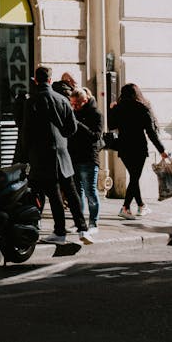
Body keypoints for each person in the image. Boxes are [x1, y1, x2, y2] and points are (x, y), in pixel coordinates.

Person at [25, 66, 92, 244]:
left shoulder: (32, 102)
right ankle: (83, 230)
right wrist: (62, 140)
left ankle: (60, 232)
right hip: (62, 153)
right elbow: (72, 128)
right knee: (71, 192)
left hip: (43, 155)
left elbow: (27, 132)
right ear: (49, 79)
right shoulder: (62, 99)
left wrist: (27, 155)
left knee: (54, 195)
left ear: (35, 80)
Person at [110, 83, 169, 219]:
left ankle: (141, 205)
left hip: (123, 147)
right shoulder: (142, 108)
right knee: (135, 177)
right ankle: (125, 208)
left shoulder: (118, 108)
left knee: (133, 177)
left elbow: (112, 125)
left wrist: (112, 110)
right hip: (138, 147)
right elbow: (151, 133)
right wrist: (162, 150)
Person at [68, 87, 103, 234]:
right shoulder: (73, 114)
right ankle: (79, 222)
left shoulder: (95, 114)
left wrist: (79, 124)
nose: (74, 107)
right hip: (74, 157)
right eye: (72, 104)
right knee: (77, 193)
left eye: (77, 104)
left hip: (89, 158)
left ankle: (93, 223)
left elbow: (95, 136)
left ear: (85, 100)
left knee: (90, 192)